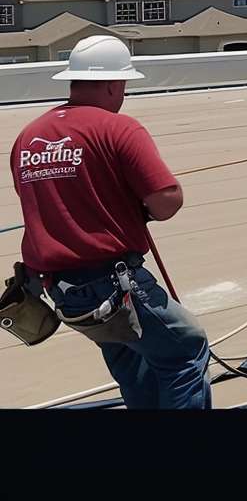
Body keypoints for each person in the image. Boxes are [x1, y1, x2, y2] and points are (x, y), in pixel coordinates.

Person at [10, 36, 210, 409]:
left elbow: (47, 206)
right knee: (186, 351)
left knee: (133, 362)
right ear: (112, 84)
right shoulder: (118, 128)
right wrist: (138, 209)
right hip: (113, 282)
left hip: (59, 287)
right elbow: (167, 201)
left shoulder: (28, 137)